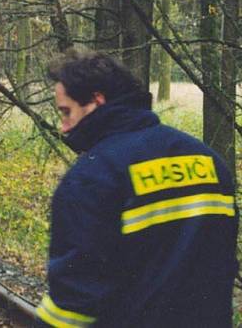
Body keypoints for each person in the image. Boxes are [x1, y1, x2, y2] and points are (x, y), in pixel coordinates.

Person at [36, 50, 237, 327]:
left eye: (66, 112)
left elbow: (73, 302)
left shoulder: (91, 179)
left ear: (97, 101)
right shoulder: (209, 162)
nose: (63, 127)